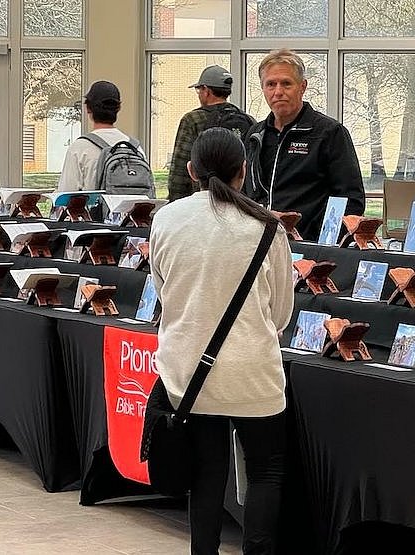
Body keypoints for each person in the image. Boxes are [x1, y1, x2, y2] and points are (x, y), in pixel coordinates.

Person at [149, 127, 294, 554]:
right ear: (243, 172)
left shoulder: (166, 219)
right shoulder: (267, 227)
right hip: (253, 373)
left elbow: (164, 292)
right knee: (266, 470)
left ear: (191, 171)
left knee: (206, 473)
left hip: (189, 374)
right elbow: (281, 312)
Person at [243, 48, 365, 241]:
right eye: (271, 84)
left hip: (308, 249)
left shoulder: (329, 133)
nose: (278, 92)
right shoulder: (255, 135)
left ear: (302, 86)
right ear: (263, 88)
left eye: (286, 84)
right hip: (260, 245)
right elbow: (245, 194)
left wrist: (326, 246)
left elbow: (351, 200)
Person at [167, 65, 255, 202]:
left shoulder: (193, 120)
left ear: (206, 91)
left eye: (199, 89)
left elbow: (179, 171)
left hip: (204, 202)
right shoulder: (248, 120)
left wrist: (174, 204)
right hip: (240, 203)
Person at [56, 80, 147, 192]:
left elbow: (65, 194)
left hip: (95, 209)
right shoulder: (135, 148)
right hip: (132, 210)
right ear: (118, 108)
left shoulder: (79, 148)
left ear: (88, 108)